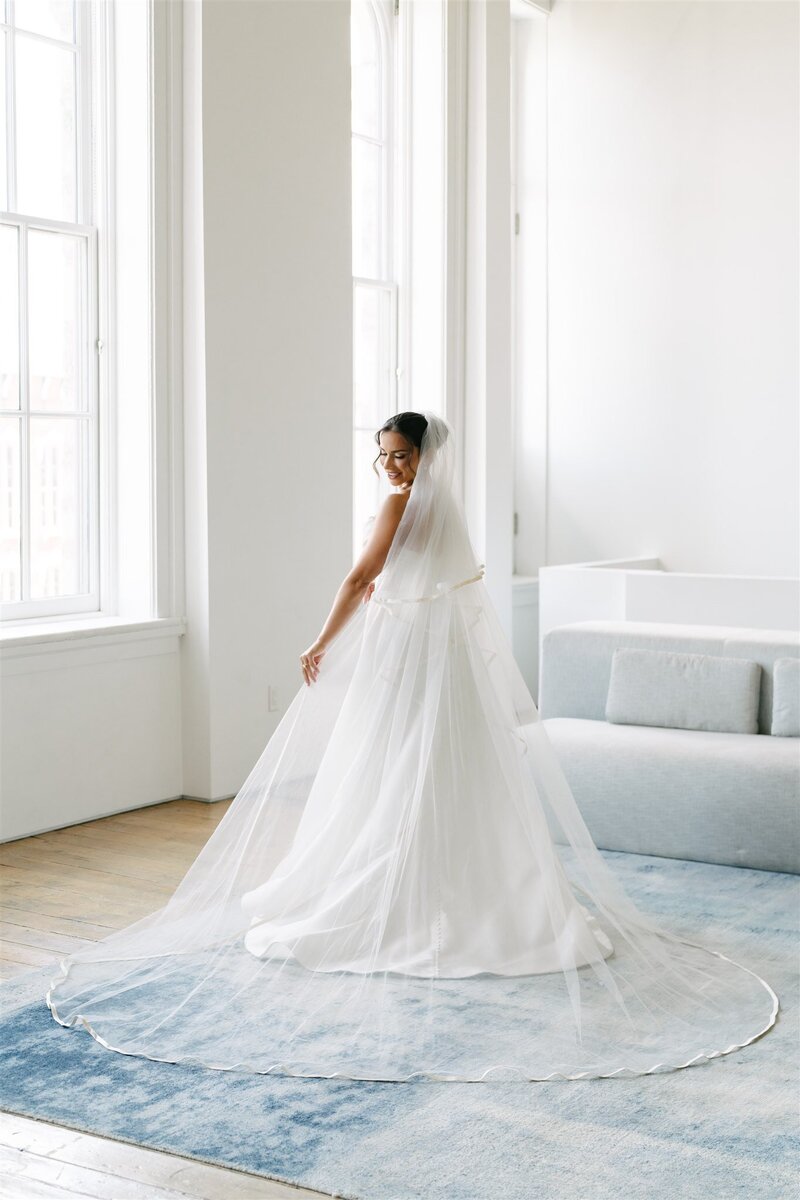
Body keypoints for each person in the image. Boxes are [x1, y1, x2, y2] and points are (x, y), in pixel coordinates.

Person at [46, 410, 779, 1082]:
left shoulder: (403, 505)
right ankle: (463, 890)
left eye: (400, 456)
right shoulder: (444, 508)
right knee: (424, 771)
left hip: (407, 651)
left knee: (396, 768)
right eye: (384, 459)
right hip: (437, 652)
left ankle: (408, 894)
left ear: (425, 455)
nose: (391, 469)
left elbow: (363, 576)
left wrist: (319, 639)